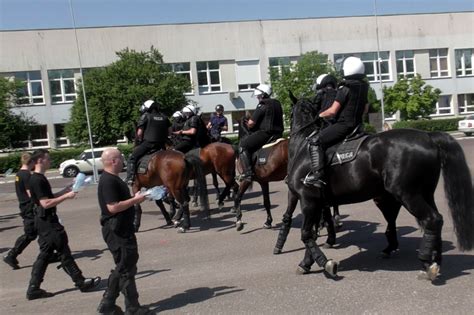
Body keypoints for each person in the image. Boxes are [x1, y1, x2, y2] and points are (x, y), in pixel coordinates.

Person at [26, 149, 100, 300]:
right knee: (62, 251)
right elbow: (45, 203)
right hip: (47, 222)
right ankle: (80, 282)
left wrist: (65, 190)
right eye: (48, 158)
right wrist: (67, 196)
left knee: (47, 255)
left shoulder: (39, 178)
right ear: (39, 160)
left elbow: (48, 197)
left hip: (45, 221)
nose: (50, 161)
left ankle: (34, 288)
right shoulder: (37, 179)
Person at [97, 148, 150, 315]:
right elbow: (112, 207)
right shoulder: (108, 181)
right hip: (116, 229)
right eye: (120, 157)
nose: (123, 160)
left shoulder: (112, 179)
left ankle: (132, 306)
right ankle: (108, 302)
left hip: (122, 228)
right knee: (124, 266)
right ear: (113, 161)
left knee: (128, 265)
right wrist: (135, 201)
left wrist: (136, 197)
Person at [302, 56, 369, 187]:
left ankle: (317, 176)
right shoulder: (363, 86)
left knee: (315, 141)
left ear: (347, 70)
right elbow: (366, 109)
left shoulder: (344, 87)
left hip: (343, 125)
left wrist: (319, 116)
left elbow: (332, 111)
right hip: (358, 126)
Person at [239, 83, 284, 180]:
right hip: (278, 134)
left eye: (258, 96)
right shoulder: (277, 103)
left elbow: (251, 123)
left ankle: (248, 172)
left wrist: (247, 123)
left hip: (266, 133)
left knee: (243, 145)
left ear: (263, 95)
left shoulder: (262, 104)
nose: (257, 98)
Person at [3, 153, 37, 269]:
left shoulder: (19, 174)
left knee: (41, 230)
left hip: (24, 206)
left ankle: (50, 253)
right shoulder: (27, 175)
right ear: (31, 162)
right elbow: (30, 193)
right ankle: (12, 255)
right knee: (30, 233)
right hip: (29, 207)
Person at [125, 99, 171, 184]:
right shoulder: (164, 117)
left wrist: (138, 140)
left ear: (147, 108)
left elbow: (139, 133)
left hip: (149, 144)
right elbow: (169, 131)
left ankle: (130, 177)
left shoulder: (145, 116)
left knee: (132, 158)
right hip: (162, 145)